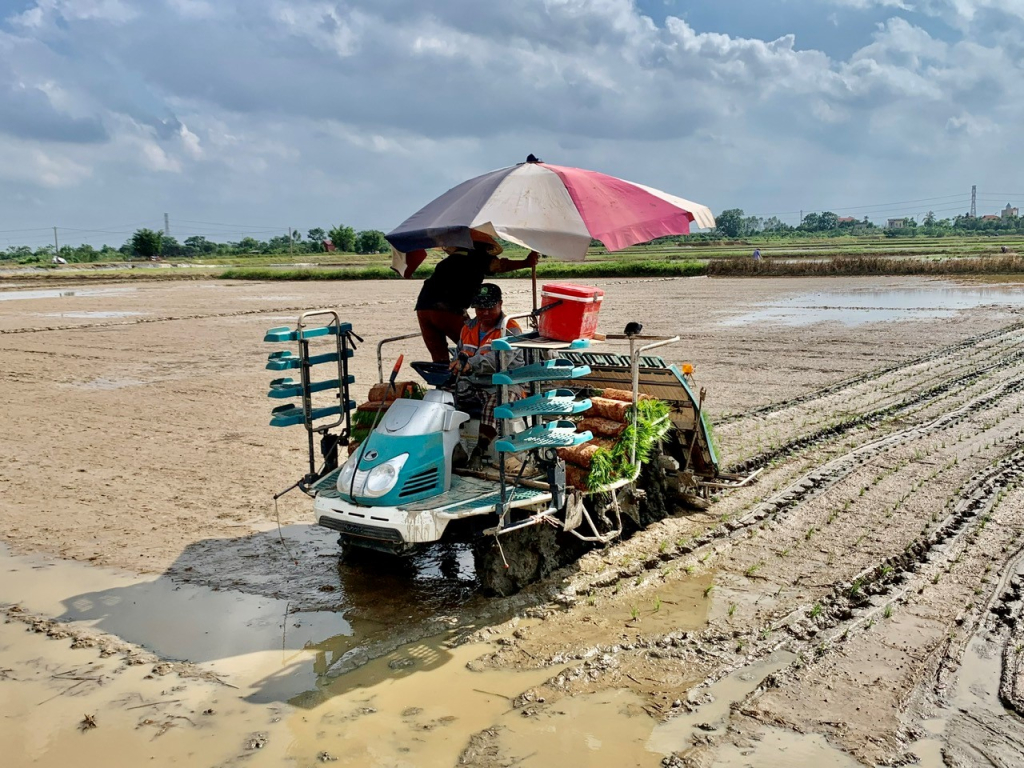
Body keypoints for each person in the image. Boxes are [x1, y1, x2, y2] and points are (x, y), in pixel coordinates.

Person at [415, 232, 538, 363]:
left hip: (423, 308)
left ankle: (444, 380)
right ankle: (475, 376)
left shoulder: (447, 262)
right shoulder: (478, 256)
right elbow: (500, 265)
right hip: (447, 309)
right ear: (482, 246)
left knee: (439, 356)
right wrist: (526, 262)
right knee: (471, 346)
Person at [450, 283, 524, 468]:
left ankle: (480, 450)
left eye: (489, 307)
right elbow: (460, 353)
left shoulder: (510, 329)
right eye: (479, 308)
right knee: (444, 397)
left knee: (496, 403)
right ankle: (454, 448)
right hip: (474, 384)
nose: (484, 312)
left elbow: (496, 360)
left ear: (500, 304)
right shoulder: (467, 328)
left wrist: (469, 365)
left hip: (505, 384)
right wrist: (455, 365)